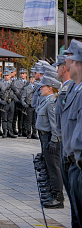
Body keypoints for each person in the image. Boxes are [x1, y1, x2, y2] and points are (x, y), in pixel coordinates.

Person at [59, 40, 82, 221]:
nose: (67, 64)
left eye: (71, 60)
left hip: (78, 164)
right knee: (75, 215)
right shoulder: (73, 88)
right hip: (71, 159)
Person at [35, 73, 63, 209]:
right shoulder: (46, 100)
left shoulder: (51, 102)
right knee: (49, 165)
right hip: (44, 136)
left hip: (49, 138)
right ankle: (52, 193)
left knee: (54, 168)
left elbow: (54, 124)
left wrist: (54, 140)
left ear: (50, 88)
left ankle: (58, 197)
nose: (41, 88)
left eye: (43, 87)